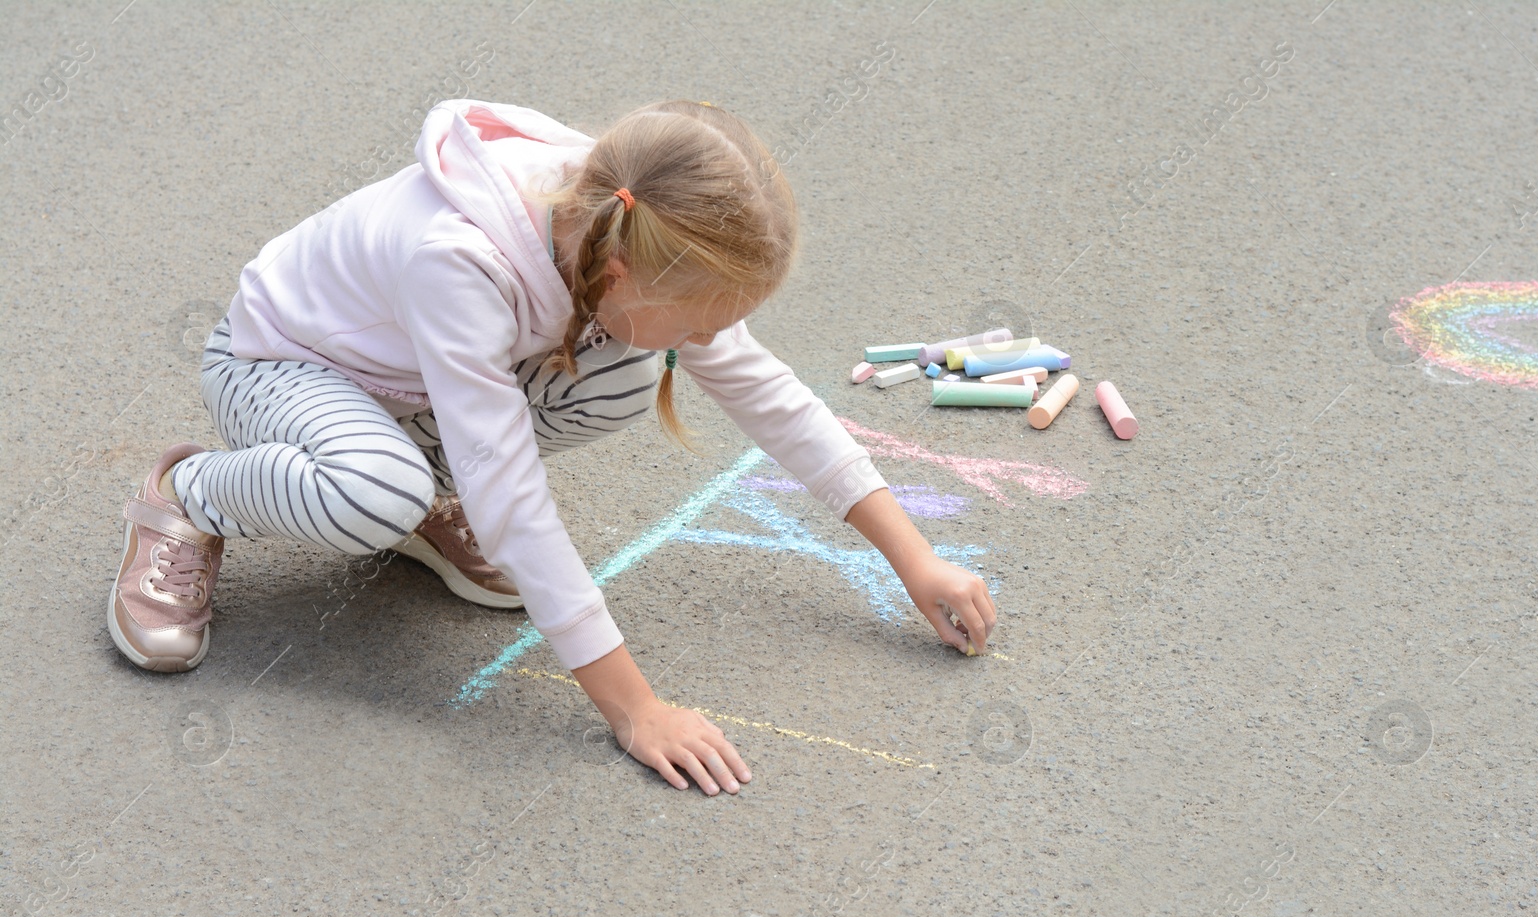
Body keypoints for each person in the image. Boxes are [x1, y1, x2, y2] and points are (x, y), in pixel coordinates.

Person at [108, 98, 998, 794]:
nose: (717, 337)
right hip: (277, 367)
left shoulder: (628, 221)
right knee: (371, 491)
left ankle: (407, 490)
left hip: (403, 383)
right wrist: (636, 709)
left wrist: (912, 558)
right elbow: (511, 492)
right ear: (620, 273)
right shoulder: (459, 260)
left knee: (618, 372)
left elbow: (767, 393)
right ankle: (193, 492)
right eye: (706, 318)